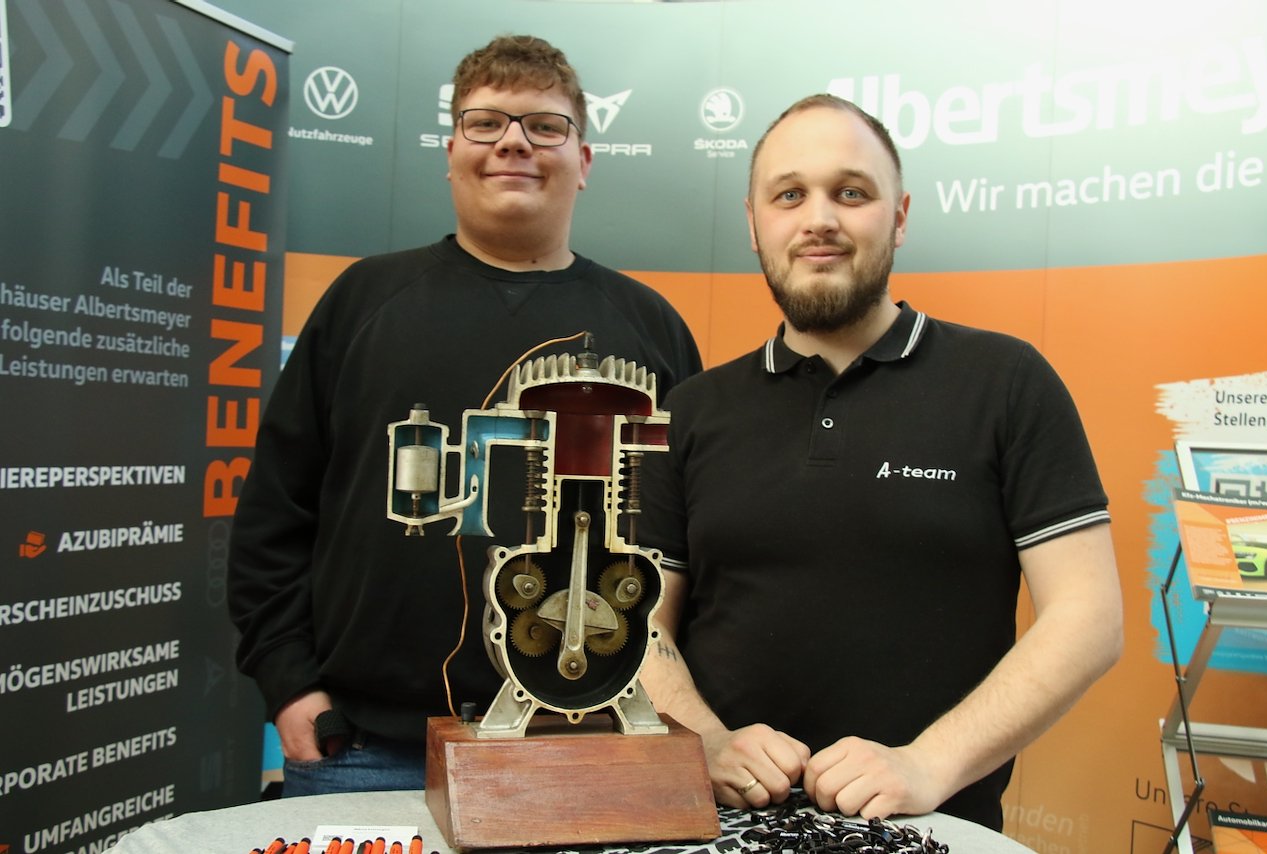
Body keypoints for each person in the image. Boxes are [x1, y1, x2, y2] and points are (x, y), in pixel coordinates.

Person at [228, 35, 702, 796]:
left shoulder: (652, 327)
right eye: (485, 124)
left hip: (596, 745)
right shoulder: (362, 302)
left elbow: (696, 538)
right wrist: (290, 684)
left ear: (584, 162)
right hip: (366, 747)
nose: (513, 142)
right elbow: (273, 515)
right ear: (451, 153)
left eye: (545, 126)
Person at [638, 94, 1123, 831]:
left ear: (898, 217)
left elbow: (1088, 618)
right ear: (753, 224)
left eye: (851, 193)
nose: (819, 219)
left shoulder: (1006, 382)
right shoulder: (691, 410)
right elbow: (639, 620)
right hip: (717, 826)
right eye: (789, 195)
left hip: (933, 831)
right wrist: (703, 742)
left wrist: (928, 762)